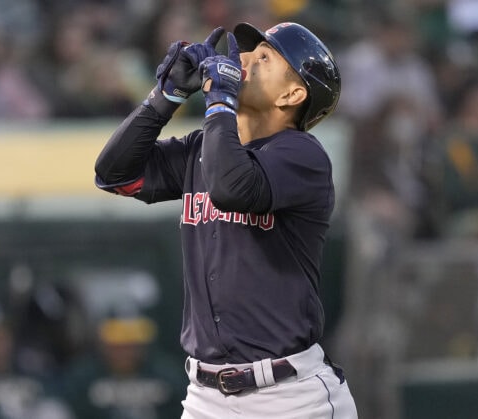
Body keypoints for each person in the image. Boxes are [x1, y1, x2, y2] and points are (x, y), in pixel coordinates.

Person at [94, 21, 357, 418]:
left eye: (264, 57)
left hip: (290, 398)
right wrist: (165, 97)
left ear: (293, 93)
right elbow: (113, 174)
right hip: (206, 397)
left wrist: (220, 101)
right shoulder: (204, 146)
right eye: (250, 50)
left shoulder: (303, 155)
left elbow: (231, 187)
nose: (243, 59)